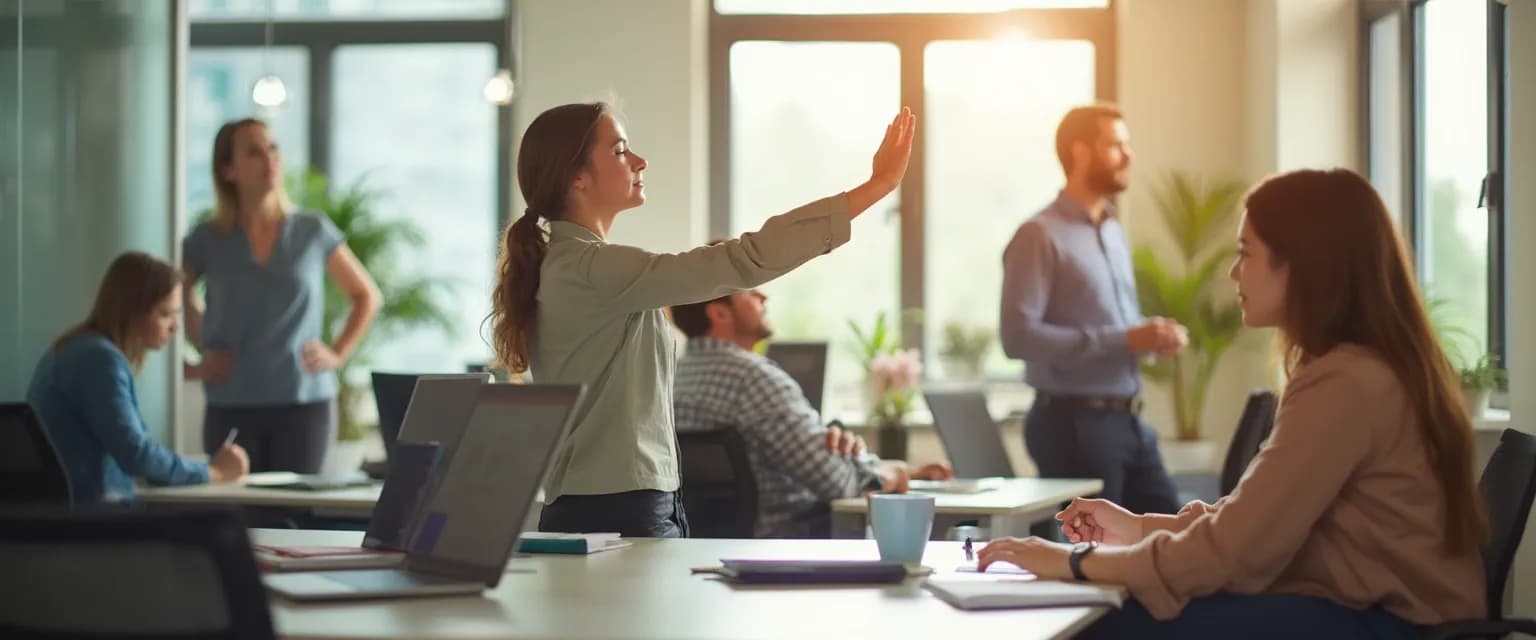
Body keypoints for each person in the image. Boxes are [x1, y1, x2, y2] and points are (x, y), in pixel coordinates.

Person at [977, 169, 1486, 637]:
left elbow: (1233, 555)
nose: (1233, 274)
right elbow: (1253, 525)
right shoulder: (1361, 369)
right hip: (1377, 612)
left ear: (1302, 266)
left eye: (1246, 253)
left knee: (1105, 623)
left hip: (1393, 625)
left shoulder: (1345, 384)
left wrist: (1075, 562)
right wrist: (1137, 527)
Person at [491, 101, 916, 538]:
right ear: (575, 177)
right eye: (620, 151)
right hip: (619, 511)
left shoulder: (570, 266)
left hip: (607, 505)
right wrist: (877, 185)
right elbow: (744, 259)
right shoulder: (591, 269)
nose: (639, 161)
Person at [1000, 103, 1185, 516]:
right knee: (1095, 559)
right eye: (1116, 145)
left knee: (1173, 536)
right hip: (1073, 427)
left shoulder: (1113, 230)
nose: (1129, 155)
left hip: (1130, 421)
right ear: (1081, 152)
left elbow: (1112, 328)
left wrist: (1150, 338)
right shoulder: (1038, 235)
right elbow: (1017, 337)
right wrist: (1125, 338)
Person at [670, 287, 953, 538]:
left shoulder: (671, 378)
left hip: (700, 544)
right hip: (780, 543)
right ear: (719, 313)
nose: (763, 296)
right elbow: (835, 483)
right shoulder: (754, 379)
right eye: (749, 290)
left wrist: (865, 461)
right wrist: (892, 473)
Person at [182, 118, 381, 474]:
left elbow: (366, 296)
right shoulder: (207, 239)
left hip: (304, 405)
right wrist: (199, 353)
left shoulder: (312, 230)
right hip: (232, 404)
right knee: (237, 519)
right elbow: (169, 298)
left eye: (273, 148)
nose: (269, 159)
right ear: (228, 169)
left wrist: (336, 354)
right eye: (254, 152)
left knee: (297, 515)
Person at [27, 252, 250, 504]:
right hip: (91, 522)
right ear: (133, 310)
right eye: (166, 313)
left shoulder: (75, 348)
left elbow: (135, 454)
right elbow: (136, 455)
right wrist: (215, 472)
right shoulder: (98, 359)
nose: (176, 327)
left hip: (71, 513)